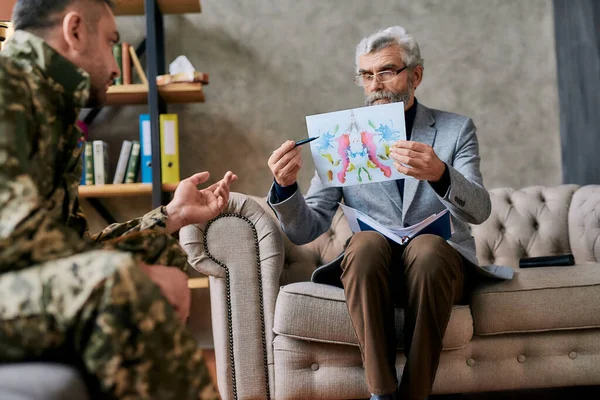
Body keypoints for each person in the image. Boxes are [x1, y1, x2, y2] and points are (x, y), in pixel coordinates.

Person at [0, 0, 237, 398]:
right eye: (111, 42)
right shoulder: (8, 87)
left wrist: (172, 215)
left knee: (154, 252)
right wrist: (134, 278)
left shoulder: (49, 102)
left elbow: (72, 246)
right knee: (120, 284)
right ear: (75, 31)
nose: (115, 66)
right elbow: (13, 237)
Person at [267, 26, 509, 400]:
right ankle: (381, 392)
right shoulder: (338, 137)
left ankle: (414, 394)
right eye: (366, 74)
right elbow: (306, 227)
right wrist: (285, 187)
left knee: (428, 248)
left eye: (387, 71)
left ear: (415, 75)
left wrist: (440, 175)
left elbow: (479, 210)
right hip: (371, 271)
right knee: (363, 243)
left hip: (437, 271)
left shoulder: (454, 130)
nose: (375, 83)